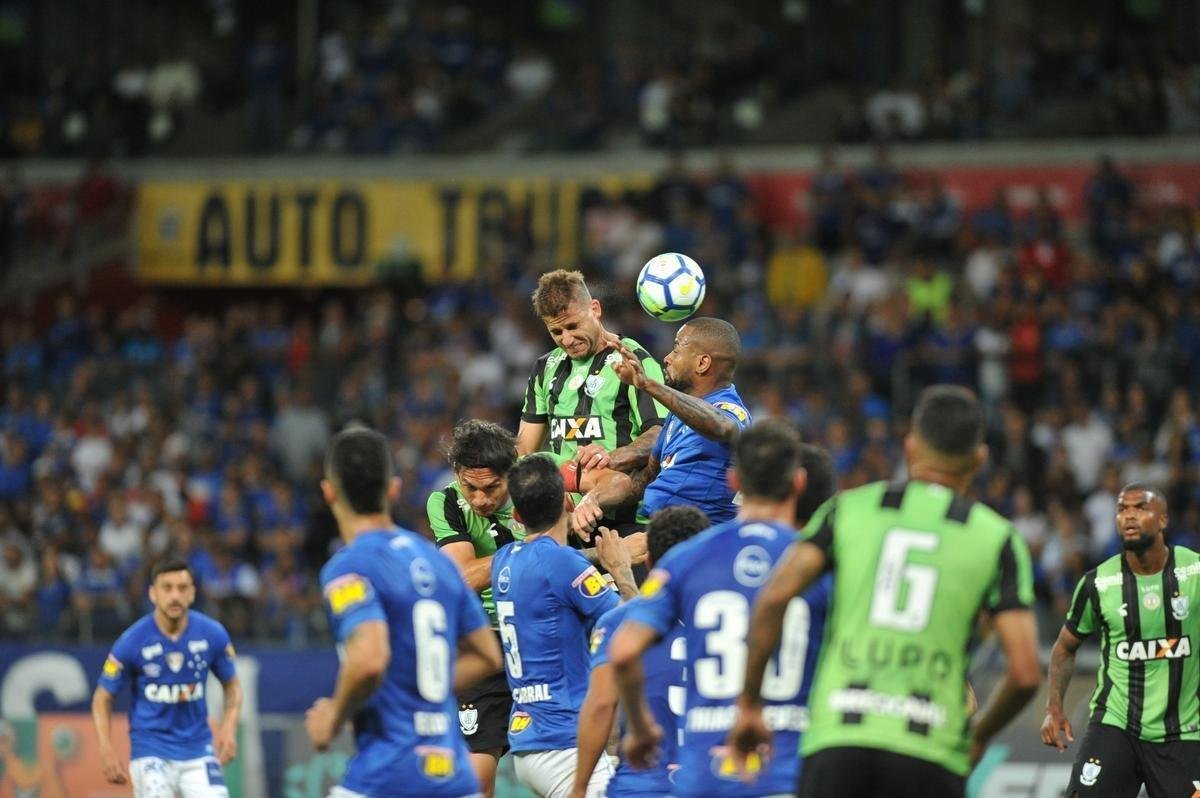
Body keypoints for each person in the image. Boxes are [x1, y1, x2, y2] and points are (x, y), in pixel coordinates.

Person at [729, 385, 1041, 798]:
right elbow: (1024, 673)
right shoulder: (998, 538)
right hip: (930, 748)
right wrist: (979, 735)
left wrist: (750, 703)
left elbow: (772, 599)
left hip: (839, 738)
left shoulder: (850, 509)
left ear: (910, 447)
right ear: (979, 458)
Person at [609, 420, 829, 797]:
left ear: (734, 483)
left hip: (703, 776)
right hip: (785, 771)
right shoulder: (818, 563)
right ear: (798, 484)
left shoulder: (687, 558)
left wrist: (642, 728)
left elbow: (625, 651)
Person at [306, 426, 502, 798]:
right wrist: (422, 688)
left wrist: (333, 716)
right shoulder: (437, 562)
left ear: (329, 492)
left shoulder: (349, 566)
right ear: (393, 489)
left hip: (387, 773)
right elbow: (487, 655)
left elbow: (368, 658)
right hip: (452, 776)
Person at [491, 454, 638, 798]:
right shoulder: (562, 562)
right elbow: (633, 628)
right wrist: (620, 569)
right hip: (564, 742)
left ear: (515, 515)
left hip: (527, 739)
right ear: (567, 502)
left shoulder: (503, 561)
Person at [1041, 484, 1200, 797]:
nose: (1129, 516)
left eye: (1140, 508)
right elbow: (1064, 648)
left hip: (1184, 731)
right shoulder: (1098, 583)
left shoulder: (1195, 572)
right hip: (1116, 726)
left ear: (1164, 520)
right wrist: (1054, 707)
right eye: (1123, 509)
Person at [571, 504, 711, 798]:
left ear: (648, 563)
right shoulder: (735, 622)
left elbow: (601, 705)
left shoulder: (620, 623)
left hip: (643, 785)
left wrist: (580, 788)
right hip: (712, 782)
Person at [571, 318, 752, 536]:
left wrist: (647, 384)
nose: (667, 358)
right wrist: (592, 503)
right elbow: (645, 479)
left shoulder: (730, 410)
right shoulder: (677, 417)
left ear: (702, 363)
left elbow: (721, 427)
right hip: (656, 531)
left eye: (676, 350)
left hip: (698, 539)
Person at [426, 419, 525, 797]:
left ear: (511, 473)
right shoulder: (447, 502)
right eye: (472, 487)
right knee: (477, 775)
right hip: (483, 641)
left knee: (560, 761)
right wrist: (536, 550)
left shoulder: (539, 480)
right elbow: (465, 576)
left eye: (492, 488)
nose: (480, 499)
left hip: (538, 636)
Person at [517, 270, 665, 519]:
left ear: (595, 309)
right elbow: (524, 450)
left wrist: (610, 458)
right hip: (563, 516)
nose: (567, 339)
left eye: (573, 326)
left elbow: (659, 435)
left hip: (626, 516)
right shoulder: (545, 368)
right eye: (557, 332)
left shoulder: (634, 360)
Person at [91, 559, 242, 798]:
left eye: (182, 588)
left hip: (198, 750)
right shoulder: (132, 641)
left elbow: (232, 686)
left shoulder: (213, 634)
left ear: (192, 593)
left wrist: (229, 727)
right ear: (153, 593)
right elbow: (102, 697)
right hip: (151, 751)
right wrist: (105, 747)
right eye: (167, 587)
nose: (175, 596)